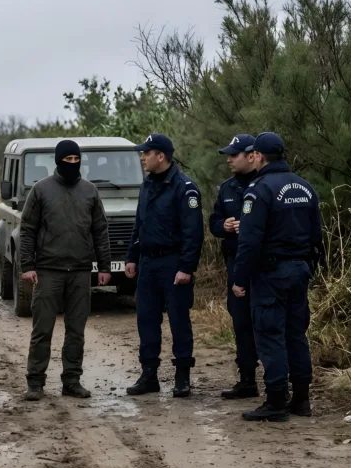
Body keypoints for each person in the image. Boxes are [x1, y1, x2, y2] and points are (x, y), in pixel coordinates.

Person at [232, 133, 323, 422]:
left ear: (258, 156)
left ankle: (276, 401)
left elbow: (249, 242)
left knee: (271, 336)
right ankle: (302, 400)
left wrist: (240, 279)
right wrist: (310, 267)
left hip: (270, 274)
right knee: (296, 334)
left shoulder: (259, 190)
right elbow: (317, 235)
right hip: (300, 270)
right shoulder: (305, 187)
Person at [19, 140, 112, 401]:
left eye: (76, 159)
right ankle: (35, 382)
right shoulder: (41, 190)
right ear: (58, 161)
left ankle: (72, 381)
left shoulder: (90, 191)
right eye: (67, 159)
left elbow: (100, 230)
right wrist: (27, 266)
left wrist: (104, 266)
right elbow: (27, 230)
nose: (72, 163)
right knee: (42, 330)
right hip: (49, 270)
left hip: (80, 271)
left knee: (76, 331)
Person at [125, 134, 204, 398]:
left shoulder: (184, 187)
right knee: (146, 320)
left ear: (160, 156)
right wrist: (132, 257)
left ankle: (182, 376)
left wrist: (186, 267)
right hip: (148, 263)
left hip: (173, 262)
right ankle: (149, 375)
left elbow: (193, 233)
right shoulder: (147, 185)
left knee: (179, 320)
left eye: (146, 153)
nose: (142, 157)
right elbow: (139, 224)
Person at [209, 134, 260, 400]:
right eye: (228, 155)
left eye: (234, 155)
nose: (229, 159)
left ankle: (278, 381)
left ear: (251, 155)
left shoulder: (264, 184)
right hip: (234, 261)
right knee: (240, 320)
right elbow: (214, 222)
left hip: (262, 265)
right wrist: (224, 226)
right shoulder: (226, 188)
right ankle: (247, 380)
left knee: (266, 320)